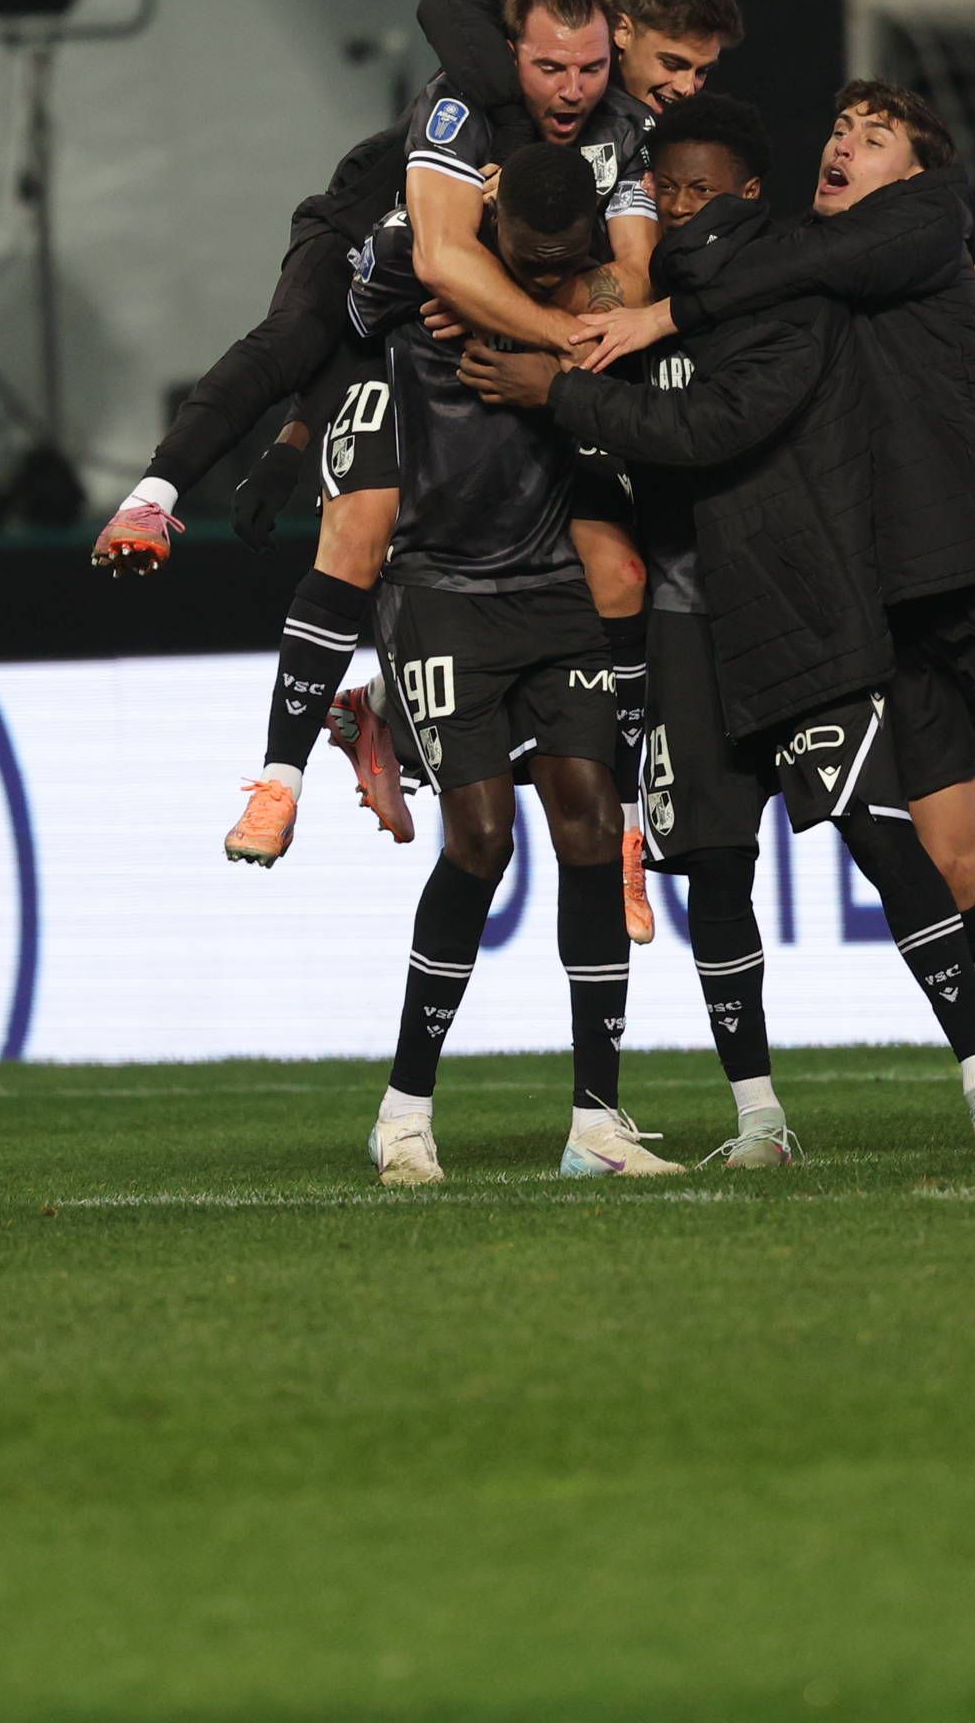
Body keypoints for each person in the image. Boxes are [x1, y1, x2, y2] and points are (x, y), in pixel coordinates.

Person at [573, 81, 975, 1157]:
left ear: (915, 169)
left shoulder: (927, 220)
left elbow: (770, 267)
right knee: (955, 861)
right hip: (886, 600)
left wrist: (662, 315)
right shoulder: (797, 262)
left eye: (874, 136)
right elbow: (737, 262)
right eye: (839, 130)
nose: (845, 144)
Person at [469, 93, 975, 1165]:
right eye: (667, 187)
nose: (682, 206)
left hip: (799, 611)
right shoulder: (632, 294)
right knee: (716, 873)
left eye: (704, 188)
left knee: (886, 842)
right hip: (684, 628)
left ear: (752, 194)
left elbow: (715, 427)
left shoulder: (790, 291)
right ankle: (760, 1119)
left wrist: (562, 393)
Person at [221, 0, 681, 868]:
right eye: (551, 68)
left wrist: (533, 317)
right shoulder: (457, 109)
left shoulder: (628, 132)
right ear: (515, 57)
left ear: (612, 56)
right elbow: (438, 261)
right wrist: (558, 325)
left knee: (619, 572)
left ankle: (621, 822)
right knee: (358, 534)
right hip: (406, 356)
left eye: (590, 69)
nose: (573, 89)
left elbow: (635, 275)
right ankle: (280, 781)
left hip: (528, 372)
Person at [349, 142, 672, 1184]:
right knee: (483, 836)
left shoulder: (592, 295)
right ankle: (403, 1112)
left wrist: (559, 358)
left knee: (592, 823)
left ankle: (597, 1124)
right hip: (438, 589)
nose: (546, 273)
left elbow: (647, 306)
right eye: (529, 255)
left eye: (564, 257)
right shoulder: (420, 267)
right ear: (491, 222)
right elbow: (332, 310)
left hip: (552, 588)